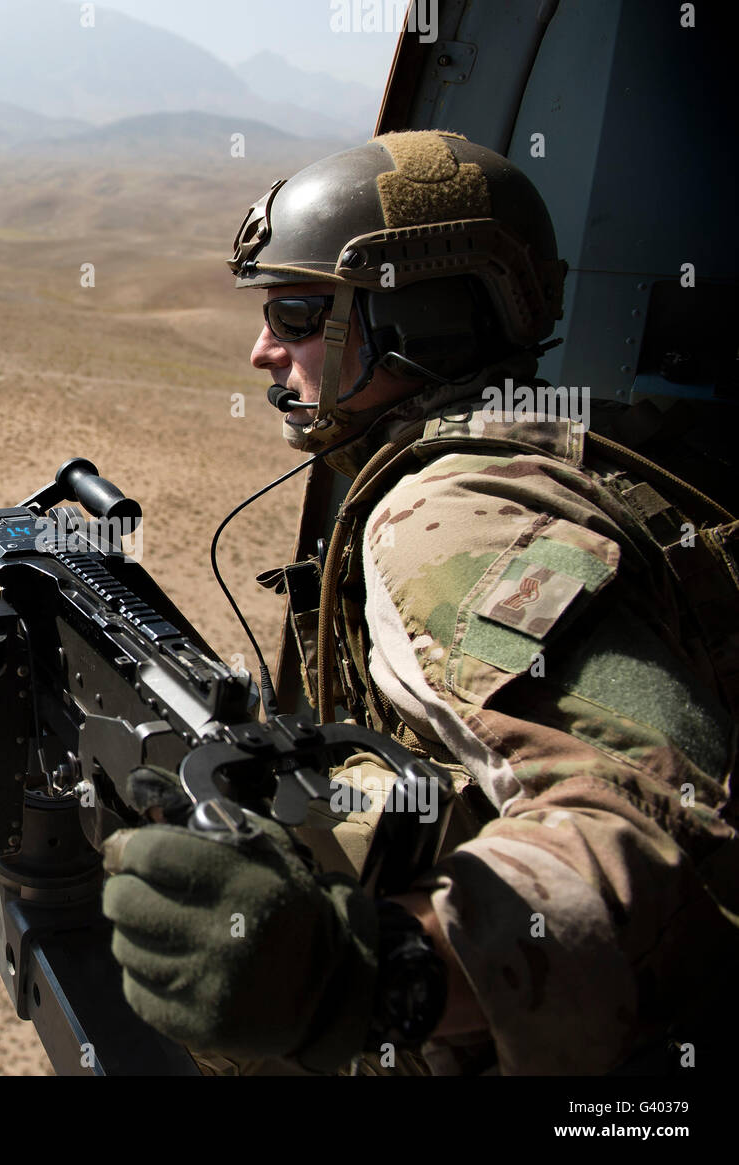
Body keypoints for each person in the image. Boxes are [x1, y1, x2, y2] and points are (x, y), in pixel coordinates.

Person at [100, 130, 739, 1075]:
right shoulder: (556, 432)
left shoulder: (446, 519)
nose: (261, 351)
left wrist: (378, 970)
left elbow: (655, 821)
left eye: (299, 313)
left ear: (417, 321)